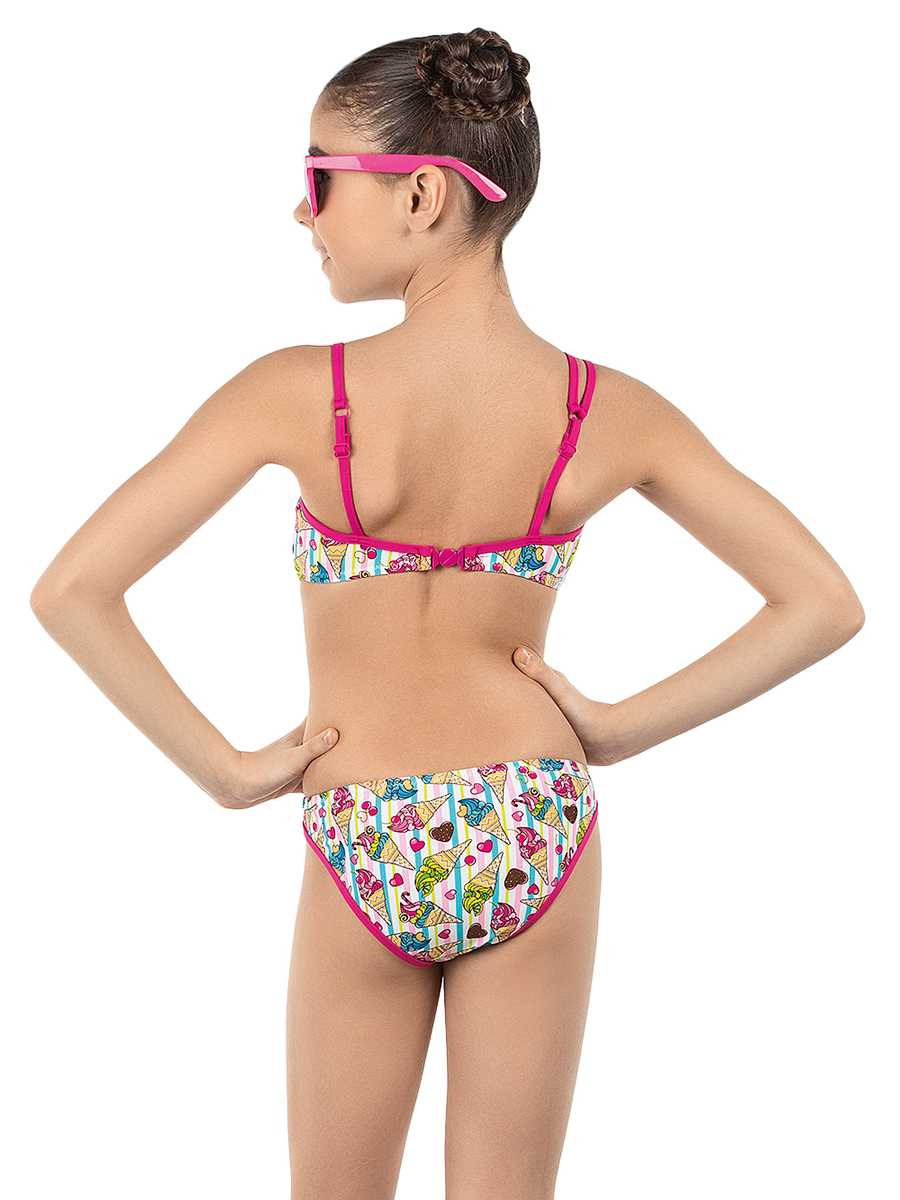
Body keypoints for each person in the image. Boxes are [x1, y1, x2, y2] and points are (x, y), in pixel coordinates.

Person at [30, 26, 863, 1200]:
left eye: (320, 177)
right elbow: (822, 601)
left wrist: (222, 770)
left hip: (364, 820)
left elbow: (72, 589)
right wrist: (614, 729)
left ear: (421, 194)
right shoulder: (605, 411)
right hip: (533, 818)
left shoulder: (299, 394)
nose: (302, 210)